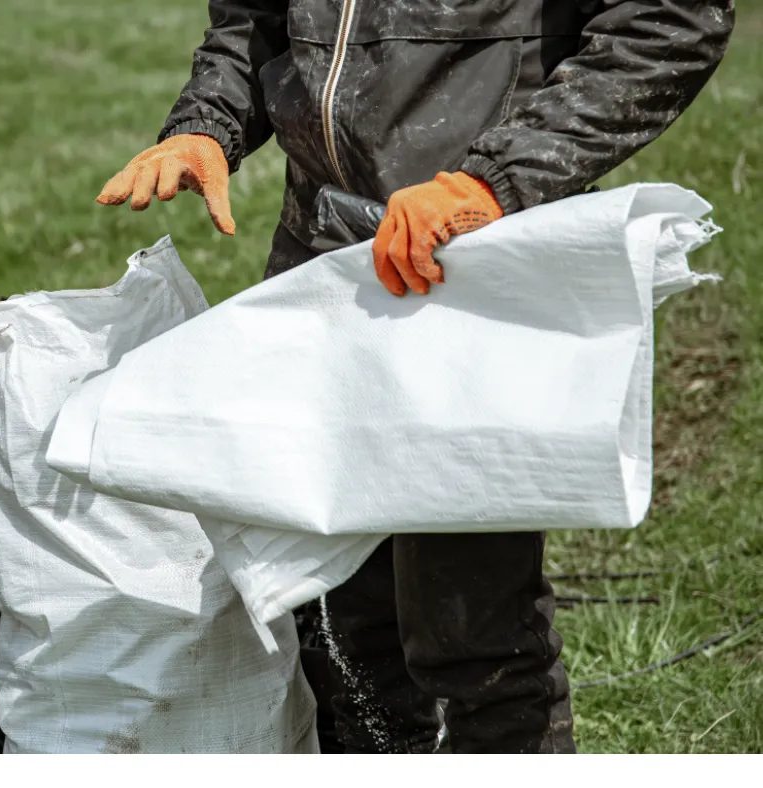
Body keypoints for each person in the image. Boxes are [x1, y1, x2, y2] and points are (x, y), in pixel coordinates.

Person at [96, 0, 733, 754]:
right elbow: (254, 21)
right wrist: (208, 122)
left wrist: (491, 180)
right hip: (326, 257)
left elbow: (667, 24)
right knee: (336, 619)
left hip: (468, 257)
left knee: (467, 627)